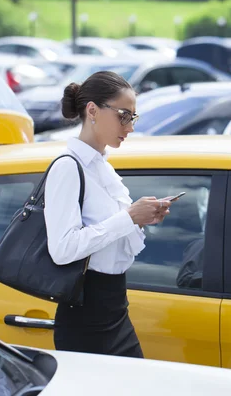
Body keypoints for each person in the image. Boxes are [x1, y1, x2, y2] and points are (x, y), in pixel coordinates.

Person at [43, 71, 172, 358]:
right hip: (85, 317)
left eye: (133, 118)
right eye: (124, 115)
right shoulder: (67, 167)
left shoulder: (103, 168)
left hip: (115, 308)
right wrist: (128, 218)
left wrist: (143, 218)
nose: (130, 127)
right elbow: (62, 250)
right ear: (92, 110)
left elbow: (112, 241)